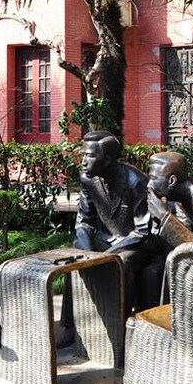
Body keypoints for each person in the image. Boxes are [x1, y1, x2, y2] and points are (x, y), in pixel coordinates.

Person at [72, 131, 159, 317]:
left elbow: (142, 232)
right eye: (83, 155)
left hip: (136, 245)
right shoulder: (87, 179)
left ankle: (119, 323)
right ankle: (71, 325)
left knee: (122, 262)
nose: (84, 161)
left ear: (108, 160)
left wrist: (106, 255)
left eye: (91, 156)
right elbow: (84, 221)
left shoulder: (135, 182)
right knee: (74, 258)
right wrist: (86, 252)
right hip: (106, 240)